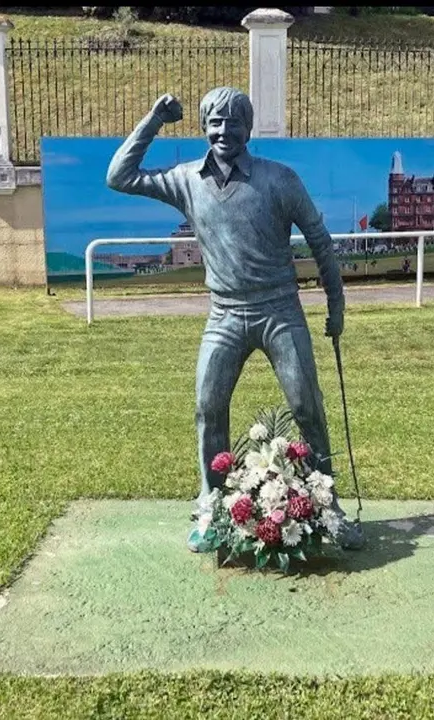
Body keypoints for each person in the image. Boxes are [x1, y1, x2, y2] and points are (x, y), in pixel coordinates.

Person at [106, 87, 364, 551]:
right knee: (208, 406)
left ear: (249, 127)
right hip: (224, 313)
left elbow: (321, 242)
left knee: (307, 405)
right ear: (204, 126)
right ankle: (211, 504)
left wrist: (336, 307)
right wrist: (154, 120)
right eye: (215, 122)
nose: (224, 131)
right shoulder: (185, 178)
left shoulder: (279, 179)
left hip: (279, 310)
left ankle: (329, 505)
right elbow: (118, 176)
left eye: (233, 121)